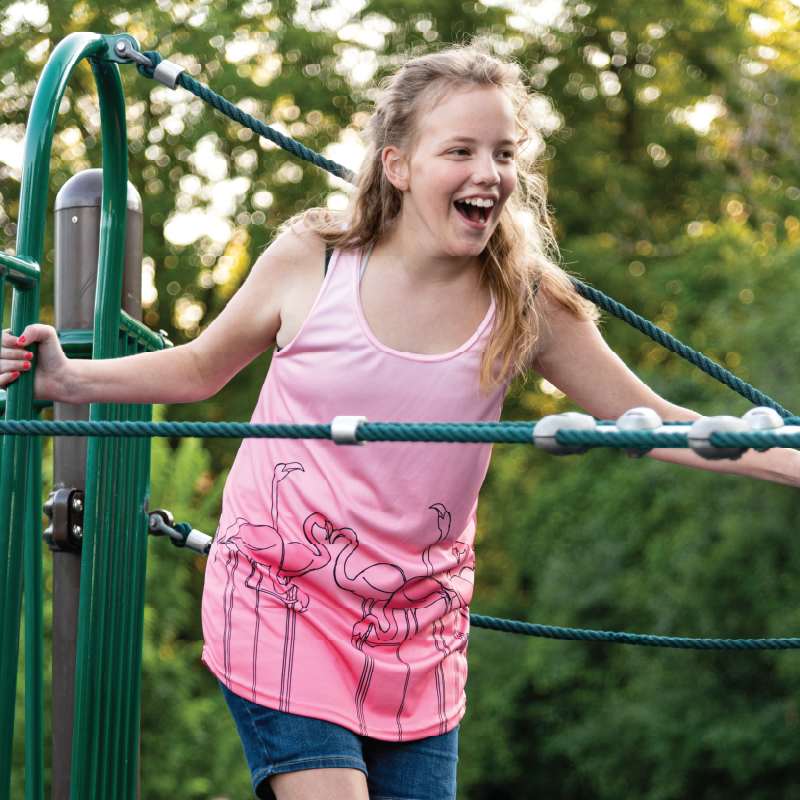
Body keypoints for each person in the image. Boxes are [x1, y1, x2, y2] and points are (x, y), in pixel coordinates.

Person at [1, 45, 798, 800]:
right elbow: (202, 368)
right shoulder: (313, 259)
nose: (489, 173)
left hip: (420, 631)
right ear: (398, 165)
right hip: (282, 598)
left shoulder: (526, 299)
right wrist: (70, 378)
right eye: (461, 151)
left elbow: (652, 421)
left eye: (505, 153)